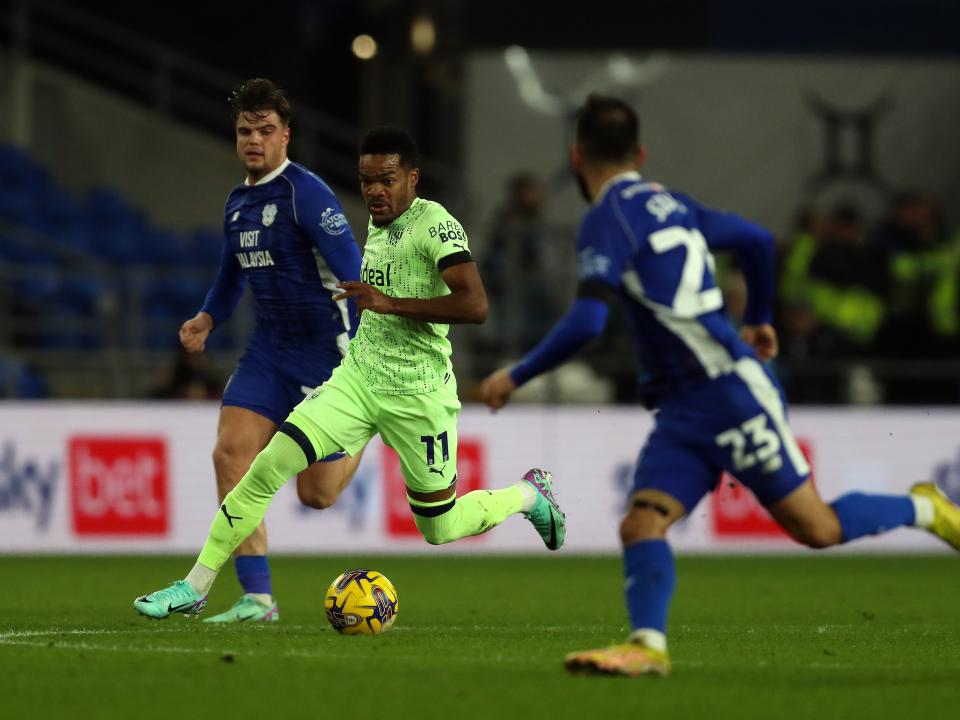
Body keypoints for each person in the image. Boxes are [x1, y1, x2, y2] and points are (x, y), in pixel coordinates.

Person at [481, 95, 960, 678]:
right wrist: (760, 315)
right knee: (642, 523)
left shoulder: (606, 219)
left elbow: (588, 321)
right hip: (685, 407)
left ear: (577, 156)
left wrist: (515, 374)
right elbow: (757, 239)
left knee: (818, 527)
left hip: (728, 393)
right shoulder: (672, 204)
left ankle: (925, 508)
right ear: (641, 152)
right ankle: (648, 647)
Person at [133, 126, 565, 620]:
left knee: (439, 527)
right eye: (366, 182)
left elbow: (476, 305)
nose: (375, 192)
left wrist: (389, 303)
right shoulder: (380, 223)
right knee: (267, 467)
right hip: (356, 380)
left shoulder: (437, 226)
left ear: (413, 177)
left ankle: (529, 494)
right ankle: (195, 585)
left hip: (418, 394)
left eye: (386, 180)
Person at [174, 78, 364, 623]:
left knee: (317, 495)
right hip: (268, 353)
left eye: (264, 130)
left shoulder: (308, 195)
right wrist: (207, 317)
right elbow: (231, 275)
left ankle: (366, 423)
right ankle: (258, 597)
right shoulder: (238, 203)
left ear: (286, 135)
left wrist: (374, 353)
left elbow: (354, 275)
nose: (253, 140)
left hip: (326, 360)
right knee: (229, 454)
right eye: (244, 131)